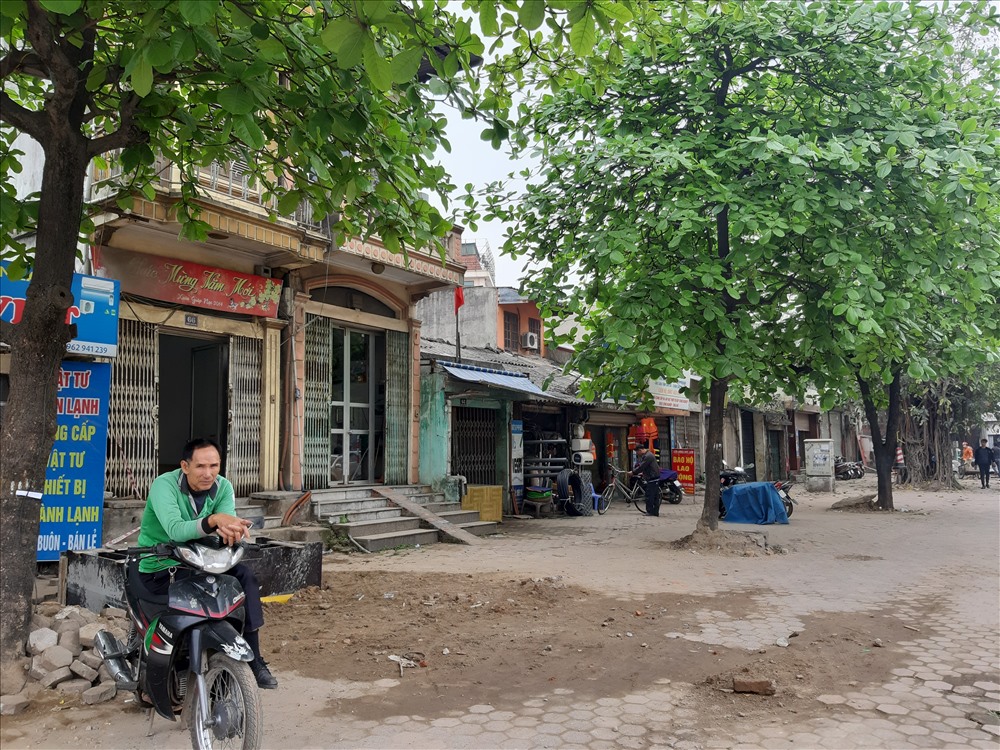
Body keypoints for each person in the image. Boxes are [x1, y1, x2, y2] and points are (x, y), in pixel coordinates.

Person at [137, 437, 278, 689]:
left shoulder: (223, 487)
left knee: (245, 577)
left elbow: (225, 527)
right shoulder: (163, 485)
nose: (208, 473)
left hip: (201, 560)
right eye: (201, 466)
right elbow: (176, 530)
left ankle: (254, 659)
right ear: (185, 466)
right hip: (162, 564)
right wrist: (214, 520)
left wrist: (232, 531)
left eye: (214, 466)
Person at [631, 445, 661, 516]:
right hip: (654, 477)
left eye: (637, 452)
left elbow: (642, 466)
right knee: (655, 496)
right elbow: (648, 467)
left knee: (650, 496)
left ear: (640, 450)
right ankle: (655, 512)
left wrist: (633, 472)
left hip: (652, 478)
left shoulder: (648, 456)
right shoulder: (648, 455)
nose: (637, 454)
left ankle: (650, 511)